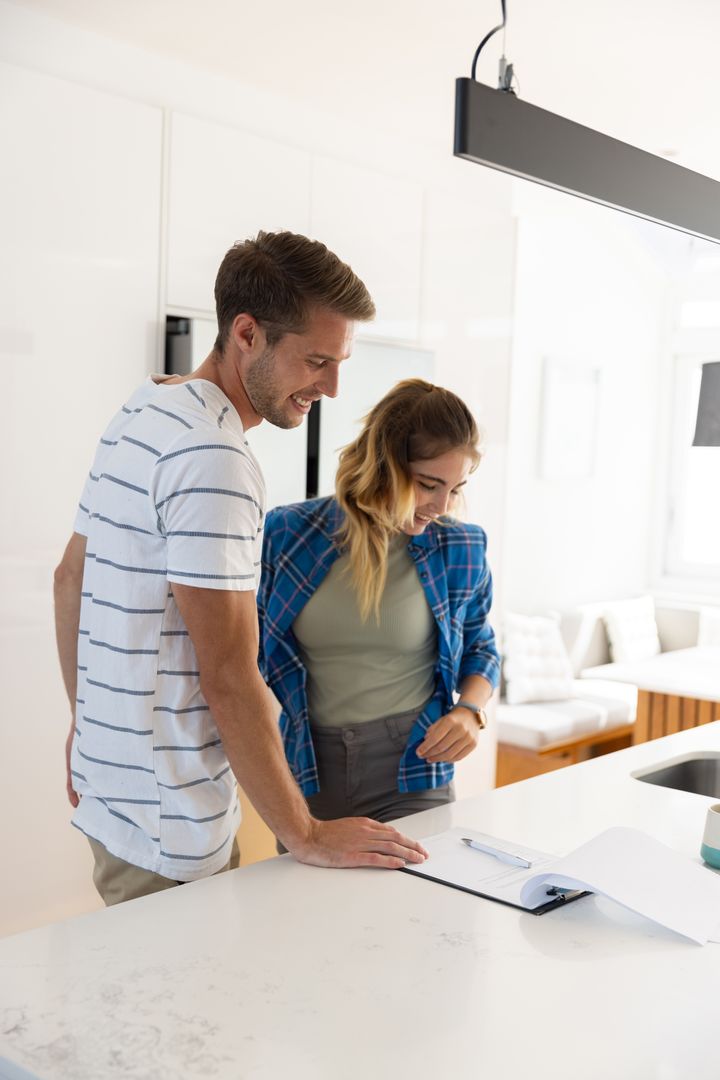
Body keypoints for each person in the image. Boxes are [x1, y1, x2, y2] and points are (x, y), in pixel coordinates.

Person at [53, 231, 427, 906]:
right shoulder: (216, 459)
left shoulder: (143, 409)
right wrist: (305, 832)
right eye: (316, 360)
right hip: (171, 817)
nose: (333, 387)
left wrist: (90, 727)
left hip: (115, 793)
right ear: (247, 333)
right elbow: (228, 673)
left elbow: (69, 580)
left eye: (339, 362)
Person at [258, 379, 500, 832]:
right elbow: (246, 653)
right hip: (309, 768)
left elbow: (481, 647)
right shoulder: (288, 534)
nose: (442, 505)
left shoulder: (460, 546)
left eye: (455, 487)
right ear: (386, 465)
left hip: (414, 764)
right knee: (309, 903)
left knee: (415, 900)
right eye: (429, 484)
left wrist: (470, 711)